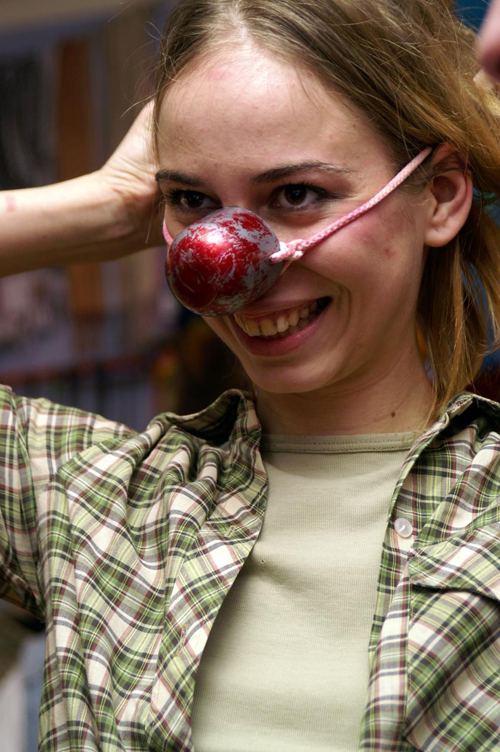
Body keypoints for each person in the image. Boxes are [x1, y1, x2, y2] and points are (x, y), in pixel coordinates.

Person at [2, 1, 500, 750]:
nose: (228, 266)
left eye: (296, 194)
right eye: (192, 201)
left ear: (439, 196)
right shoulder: (86, 500)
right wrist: (104, 207)